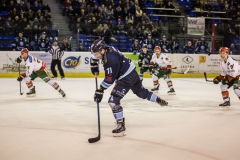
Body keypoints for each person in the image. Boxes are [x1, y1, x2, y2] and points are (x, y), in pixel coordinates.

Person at [90, 39, 168, 136]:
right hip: (132, 72)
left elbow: (109, 79)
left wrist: (100, 90)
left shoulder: (111, 61)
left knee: (113, 101)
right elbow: (97, 58)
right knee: (142, 93)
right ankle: (158, 99)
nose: (95, 55)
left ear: (102, 50)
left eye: (96, 53)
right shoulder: (109, 48)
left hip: (126, 77)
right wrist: (93, 63)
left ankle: (121, 126)